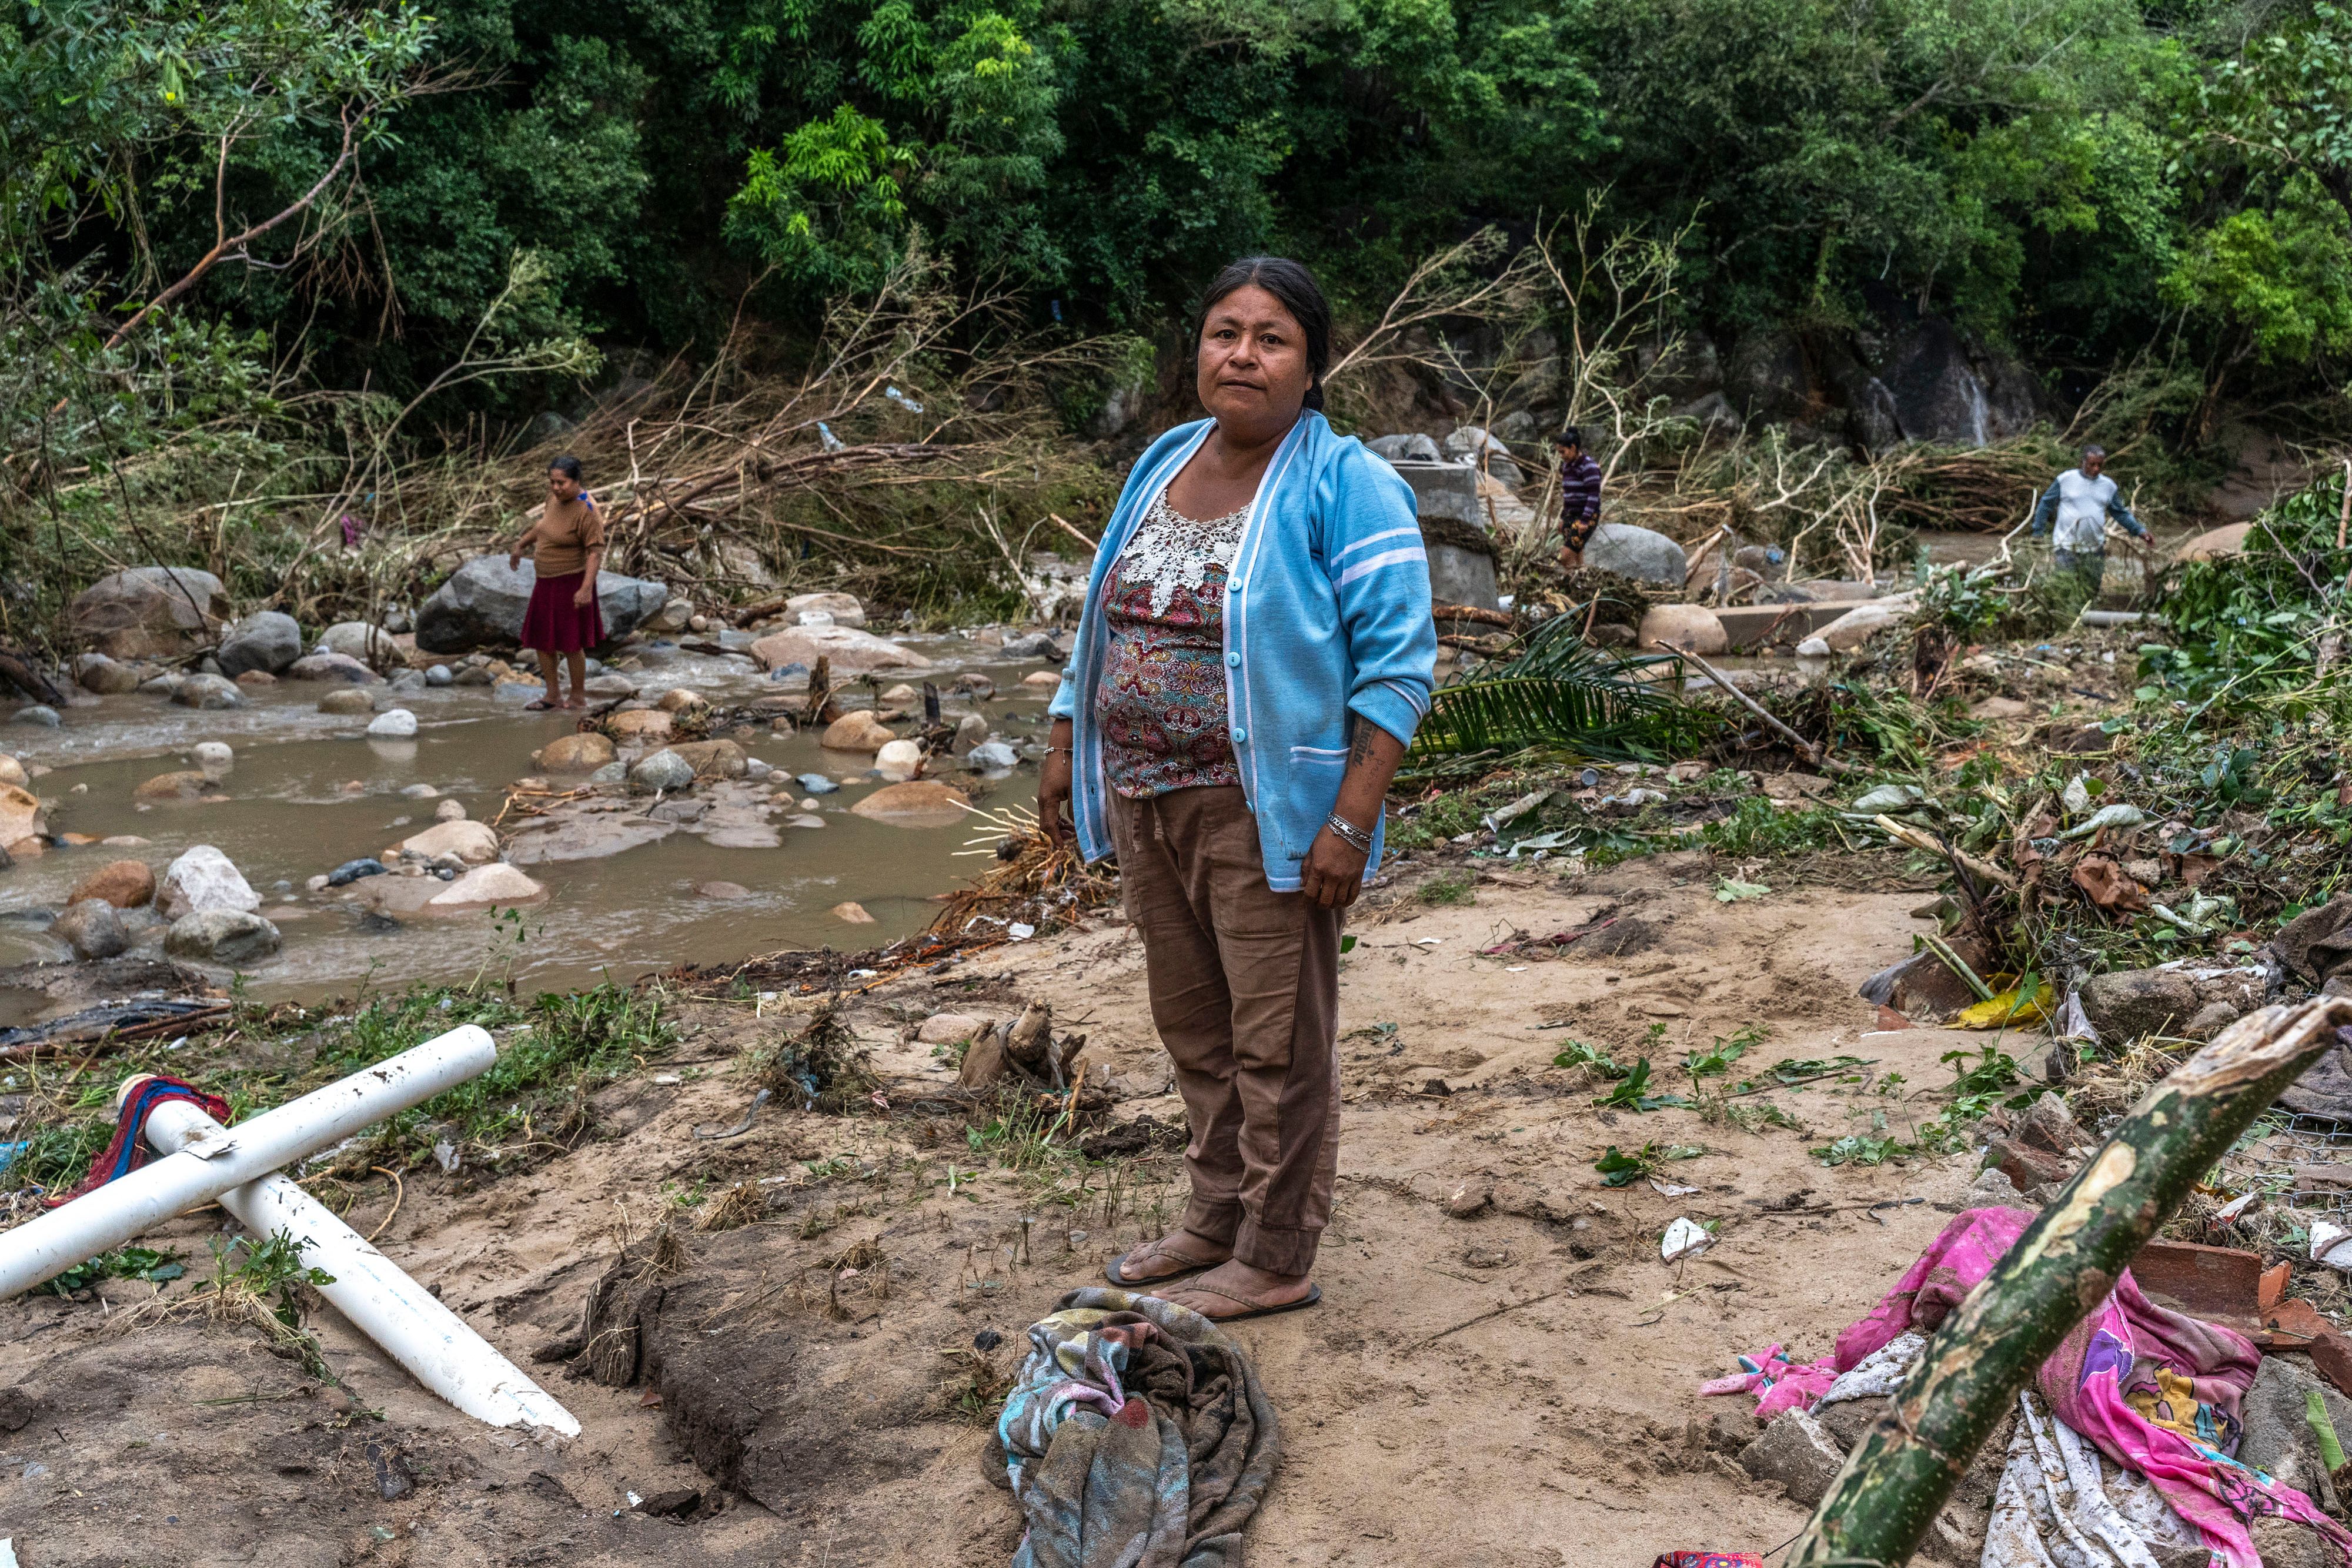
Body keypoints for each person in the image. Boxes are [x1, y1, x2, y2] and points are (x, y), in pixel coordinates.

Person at [1038, 256, 1435, 1322]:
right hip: (1147, 800)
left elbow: (1399, 670)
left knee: (1279, 1040)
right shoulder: (1168, 455)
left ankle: (1277, 1249)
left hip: (1266, 811)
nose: (1243, 355)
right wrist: (1066, 736)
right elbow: (1105, 617)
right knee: (1195, 1026)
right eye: (1225, 332)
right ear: (1198, 348)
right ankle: (1215, 1217)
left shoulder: (1346, 483)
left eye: (1271, 339)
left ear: (1314, 365)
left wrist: (1351, 821)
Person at [507, 455, 606, 710]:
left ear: (576, 482)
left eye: (561, 483)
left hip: (571, 581)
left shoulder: (587, 509)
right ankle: (552, 696)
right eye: (552, 482)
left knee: (572, 643)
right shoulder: (554, 499)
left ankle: (577, 697)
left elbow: (595, 552)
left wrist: (585, 589)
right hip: (545, 581)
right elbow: (543, 527)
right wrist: (521, 544)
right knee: (542, 640)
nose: (555, 488)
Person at [2030, 444, 2149, 596]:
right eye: (2092, 464)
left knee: (2090, 592)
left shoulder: (2108, 486)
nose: (2096, 469)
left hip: (2094, 548)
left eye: (2100, 465)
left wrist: (2140, 531)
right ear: (2083, 462)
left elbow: (2120, 513)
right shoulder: (2065, 480)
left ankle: (2086, 618)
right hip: (2066, 547)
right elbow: (2046, 504)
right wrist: (2038, 531)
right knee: (2063, 589)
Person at [1552, 426, 1603, 570]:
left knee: (1565, 557)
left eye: (1563, 452)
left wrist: (1585, 520)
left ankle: (1573, 581)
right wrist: (1563, 518)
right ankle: (1579, 581)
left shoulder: (1589, 467)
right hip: (1571, 515)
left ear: (1573, 448)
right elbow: (1568, 495)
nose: (1561, 456)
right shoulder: (1567, 467)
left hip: (1585, 516)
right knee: (1577, 554)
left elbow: (1593, 495)